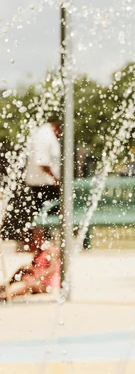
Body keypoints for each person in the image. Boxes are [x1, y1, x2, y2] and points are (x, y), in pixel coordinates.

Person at [6, 120, 62, 248]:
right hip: (43, 184)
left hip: (45, 183)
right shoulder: (44, 134)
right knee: (42, 219)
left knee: (44, 219)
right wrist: (55, 179)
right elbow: (42, 162)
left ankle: (44, 247)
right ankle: (39, 247)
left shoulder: (46, 134)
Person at [0, 227, 60, 301]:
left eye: (30, 241)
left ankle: (5, 296)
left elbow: (52, 268)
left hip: (47, 286)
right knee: (24, 267)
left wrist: (37, 276)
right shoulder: (38, 251)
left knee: (29, 284)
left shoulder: (51, 250)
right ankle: (6, 286)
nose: (27, 244)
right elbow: (34, 268)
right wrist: (29, 271)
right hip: (38, 281)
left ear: (38, 238)